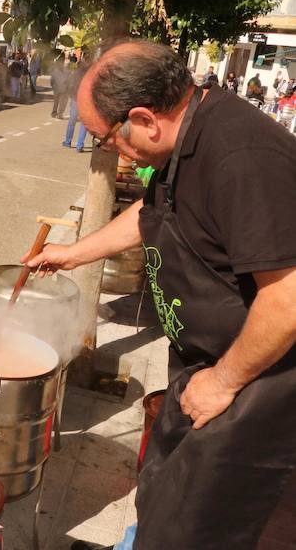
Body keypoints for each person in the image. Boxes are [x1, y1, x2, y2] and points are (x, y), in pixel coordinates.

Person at [26, 40, 296, 550]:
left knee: (198, 527)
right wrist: (73, 254)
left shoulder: (241, 157)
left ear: (145, 119)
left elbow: (288, 297)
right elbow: (154, 214)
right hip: (202, 368)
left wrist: (222, 381)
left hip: (258, 387)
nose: (109, 150)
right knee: (159, 502)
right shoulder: (186, 139)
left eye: (107, 138)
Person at [62, 57, 89, 152]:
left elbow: (69, 85)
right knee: (84, 123)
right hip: (86, 101)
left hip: (76, 99)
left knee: (72, 121)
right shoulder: (90, 75)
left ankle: (68, 141)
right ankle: (79, 145)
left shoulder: (75, 74)